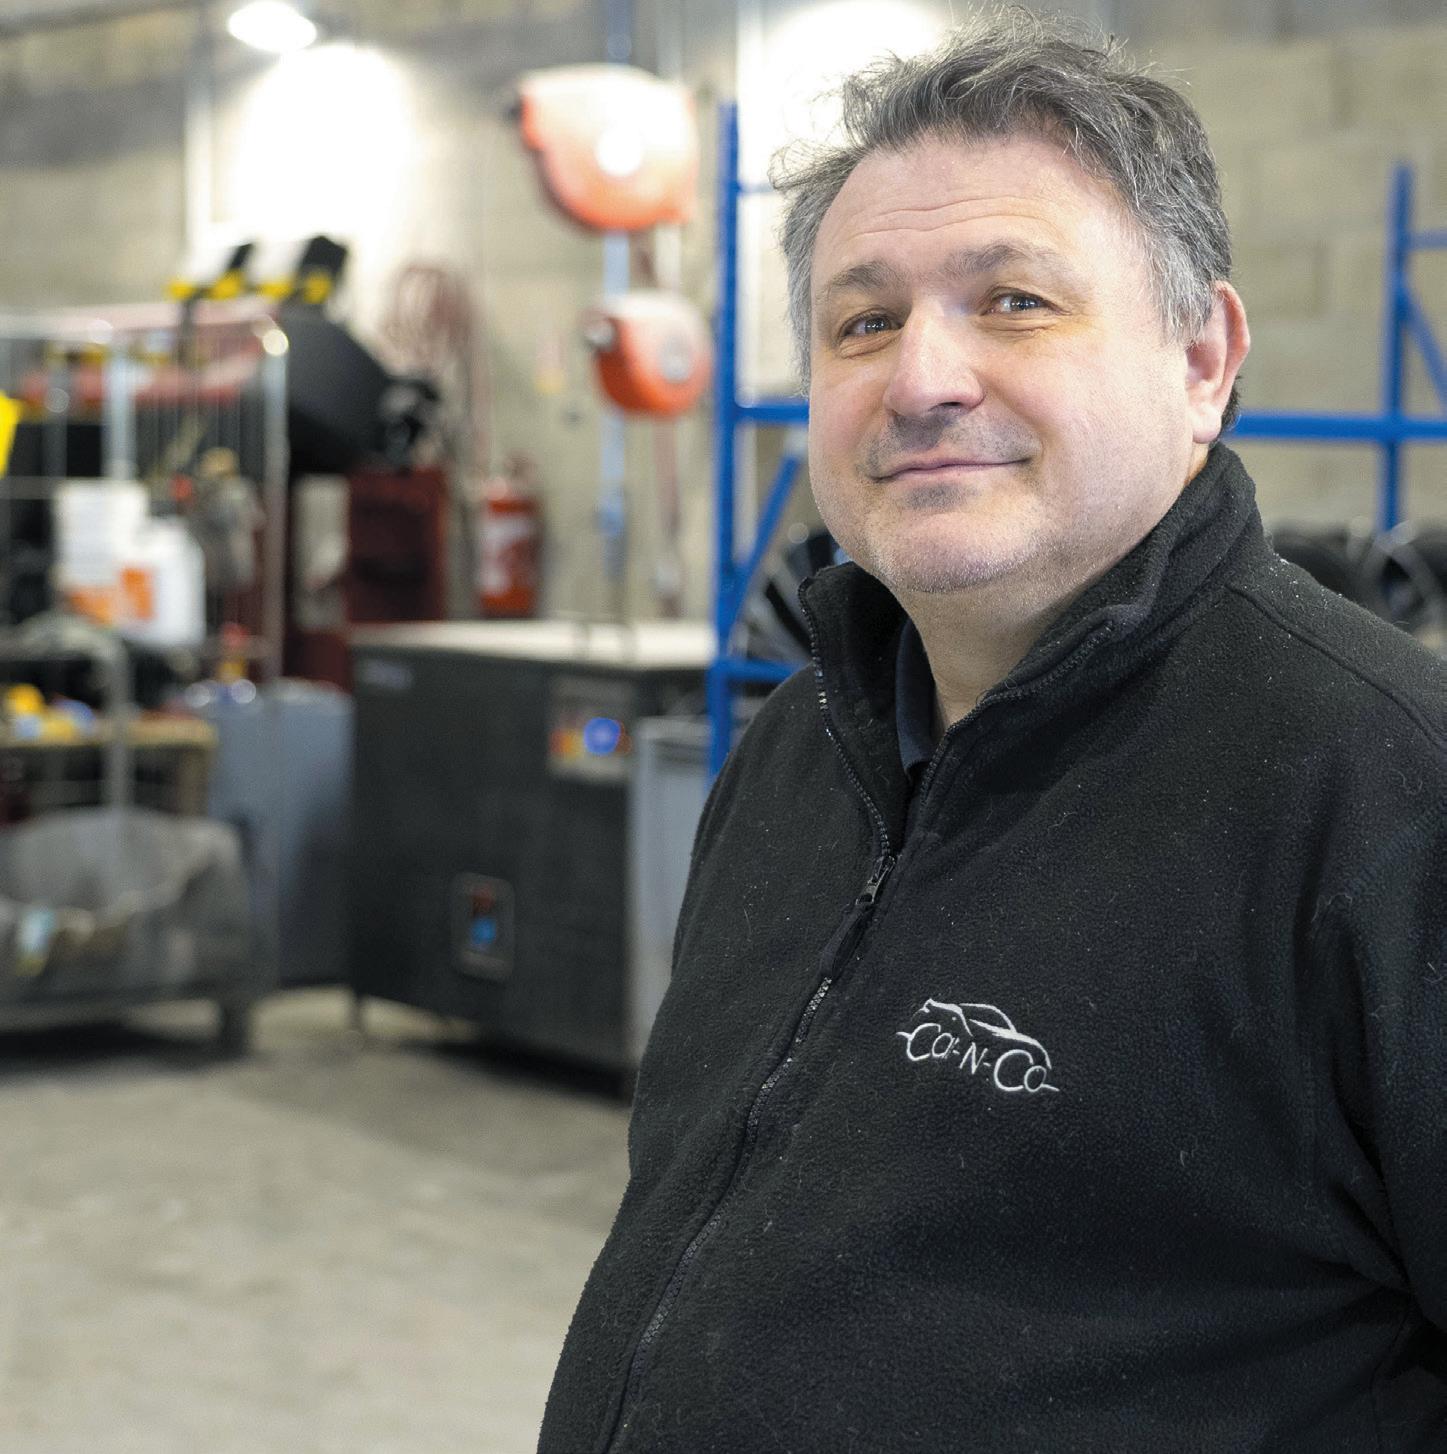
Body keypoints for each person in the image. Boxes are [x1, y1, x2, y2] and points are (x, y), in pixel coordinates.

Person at [539, 13, 1447, 1452]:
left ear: (1202, 360)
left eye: (1014, 301)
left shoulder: (1393, 801)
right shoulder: (797, 752)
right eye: (863, 321)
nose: (922, 379)